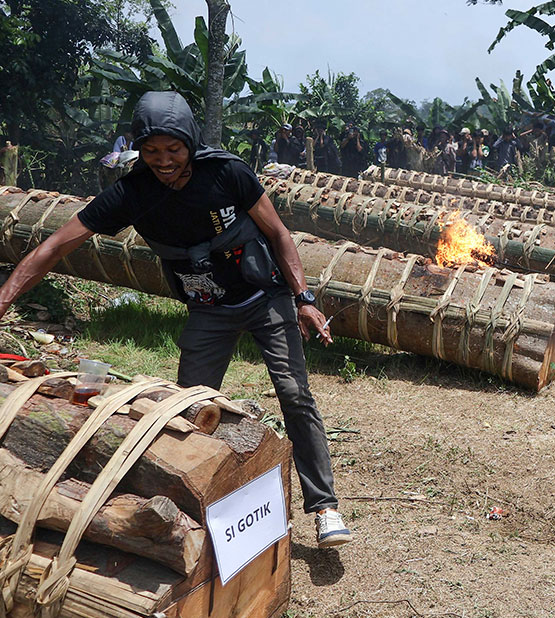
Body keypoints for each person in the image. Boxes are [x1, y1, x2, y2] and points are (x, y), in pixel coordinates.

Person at [0, 92, 353, 548]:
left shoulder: (227, 172)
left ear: (190, 142)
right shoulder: (131, 193)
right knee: (187, 409)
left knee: (293, 393)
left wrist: (303, 298)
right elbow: (55, 246)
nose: (163, 160)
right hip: (208, 309)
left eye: (173, 149)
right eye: (151, 151)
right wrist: (5, 297)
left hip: (264, 296)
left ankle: (324, 507)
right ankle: (200, 512)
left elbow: (278, 233)